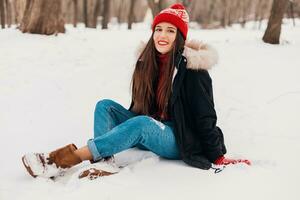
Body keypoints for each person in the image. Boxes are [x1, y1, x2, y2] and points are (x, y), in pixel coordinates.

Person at [22, 3, 250, 179]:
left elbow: (205, 115)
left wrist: (217, 155)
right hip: (150, 129)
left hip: (178, 138)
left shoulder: (193, 70)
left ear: (179, 37)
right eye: (158, 29)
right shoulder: (147, 63)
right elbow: (139, 107)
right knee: (105, 106)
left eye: (170, 31)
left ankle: (59, 160)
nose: (162, 35)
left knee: (142, 123)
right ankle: (105, 162)